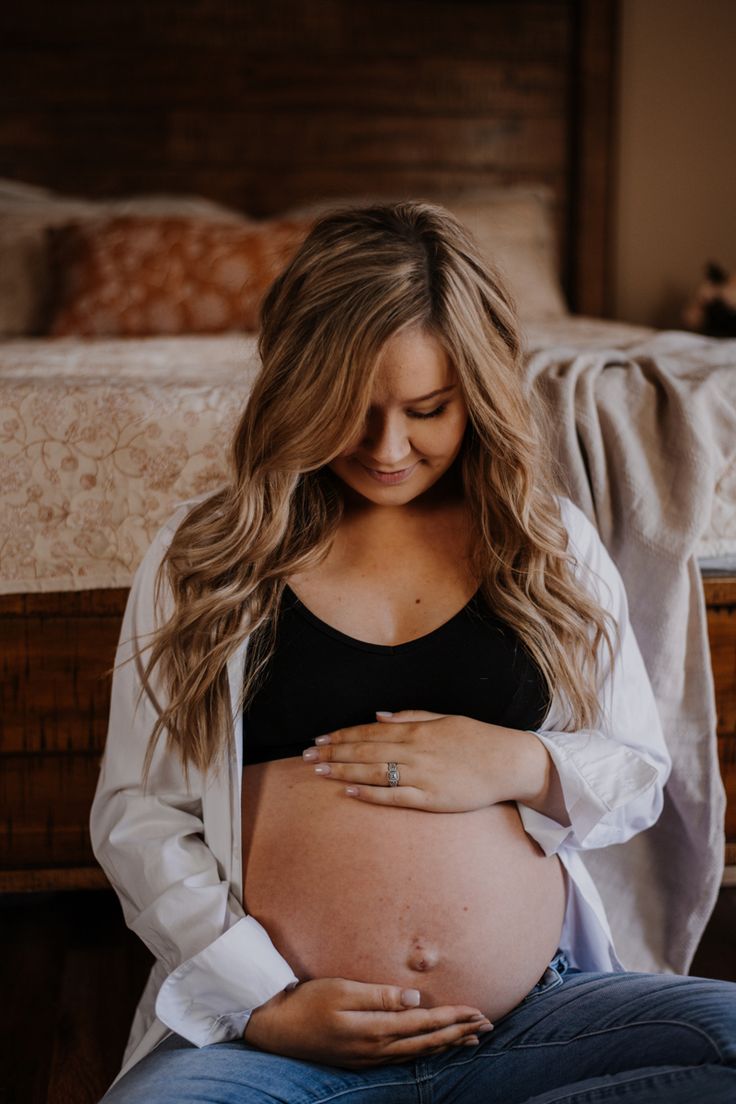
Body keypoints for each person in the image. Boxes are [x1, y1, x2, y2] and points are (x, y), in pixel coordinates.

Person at [92, 201, 736, 1103]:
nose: (389, 449)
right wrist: (270, 1002)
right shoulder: (207, 559)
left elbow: (634, 771)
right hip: (282, 1044)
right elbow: (138, 816)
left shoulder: (545, 543)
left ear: (478, 391)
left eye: (428, 410)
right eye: (352, 413)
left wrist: (516, 761)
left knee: (728, 1039)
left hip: (524, 1026)